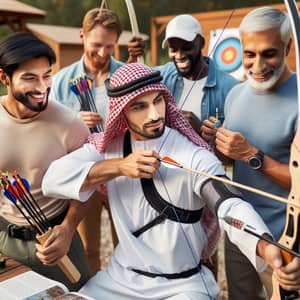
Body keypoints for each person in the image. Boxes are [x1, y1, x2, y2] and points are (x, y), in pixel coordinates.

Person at [42, 63, 300, 300]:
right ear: (121, 111)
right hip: (120, 279)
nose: (155, 114)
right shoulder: (108, 148)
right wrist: (119, 166)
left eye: (158, 101)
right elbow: (53, 178)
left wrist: (266, 247)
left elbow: (228, 204)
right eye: (140, 106)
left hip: (183, 286)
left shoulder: (192, 154)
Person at [50, 8, 144, 275]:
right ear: (82, 36)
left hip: (122, 174)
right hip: (86, 176)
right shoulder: (61, 80)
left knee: (129, 246)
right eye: (95, 45)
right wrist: (73, 120)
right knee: (88, 250)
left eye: (109, 46)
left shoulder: (127, 74)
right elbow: (53, 135)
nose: (103, 53)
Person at [214, 7, 299, 300]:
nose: (258, 64)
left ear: (289, 46)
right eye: (249, 54)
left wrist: (253, 154)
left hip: (287, 238)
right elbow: (233, 162)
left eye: (269, 53)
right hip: (241, 229)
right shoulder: (236, 94)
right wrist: (220, 146)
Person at [0, 32, 90, 291]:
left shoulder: (70, 123)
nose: (42, 87)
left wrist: (69, 228)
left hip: (60, 238)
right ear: (4, 76)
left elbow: (88, 186)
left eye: (47, 75)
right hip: (7, 239)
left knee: (75, 294)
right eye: (30, 78)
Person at [156, 14, 239, 144]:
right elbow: (130, 82)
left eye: (187, 48)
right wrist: (132, 60)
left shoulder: (230, 88)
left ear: (201, 43)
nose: (179, 55)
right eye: (173, 49)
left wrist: (201, 129)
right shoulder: (163, 75)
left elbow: (234, 147)